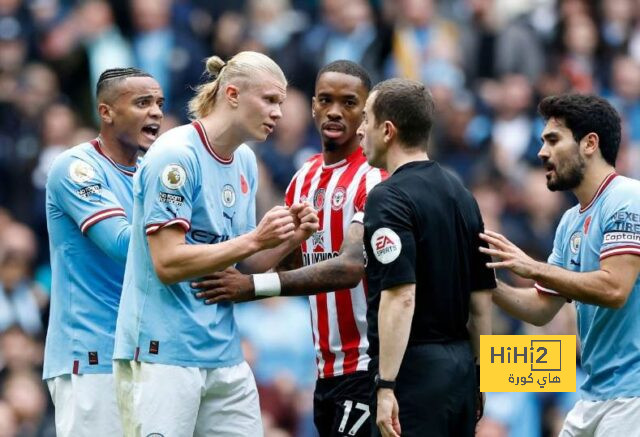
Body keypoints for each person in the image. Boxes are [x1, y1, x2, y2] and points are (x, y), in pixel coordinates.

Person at [112, 51, 319, 437]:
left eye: (282, 102)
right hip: (164, 352)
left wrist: (290, 238)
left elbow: (246, 264)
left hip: (223, 352)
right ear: (234, 94)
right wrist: (256, 237)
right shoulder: (176, 155)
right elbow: (167, 262)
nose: (279, 113)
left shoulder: (244, 161)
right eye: (270, 100)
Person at [193, 60, 386, 436]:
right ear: (313, 105)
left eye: (348, 103)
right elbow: (293, 266)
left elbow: (350, 268)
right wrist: (284, 244)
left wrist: (250, 288)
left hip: (367, 363)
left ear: (367, 112)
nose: (334, 111)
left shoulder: (374, 178)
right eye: (326, 100)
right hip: (323, 367)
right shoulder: (303, 179)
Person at [480, 93, 640, 436]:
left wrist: (533, 267)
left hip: (632, 397)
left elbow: (614, 289)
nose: (541, 152)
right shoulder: (569, 221)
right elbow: (541, 309)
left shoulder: (628, 198)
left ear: (589, 144)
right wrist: (482, 282)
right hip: (594, 393)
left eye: (553, 140)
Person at [357, 78, 495, 437]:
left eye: (366, 120)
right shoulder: (463, 195)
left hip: (414, 374)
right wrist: (480, 378)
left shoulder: (388, 198)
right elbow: (480, 302)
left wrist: (386, 386)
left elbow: (401, 295)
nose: (360, 131)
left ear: (387, 130)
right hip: (462, 371)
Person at [44, 67, 164, 436]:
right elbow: (123, 245)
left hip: (146, 355)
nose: (156, 112)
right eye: (143, 103)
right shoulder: (75, 168)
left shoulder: (150, 171)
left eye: (160, 103)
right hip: (91, 355)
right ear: (106, 112)